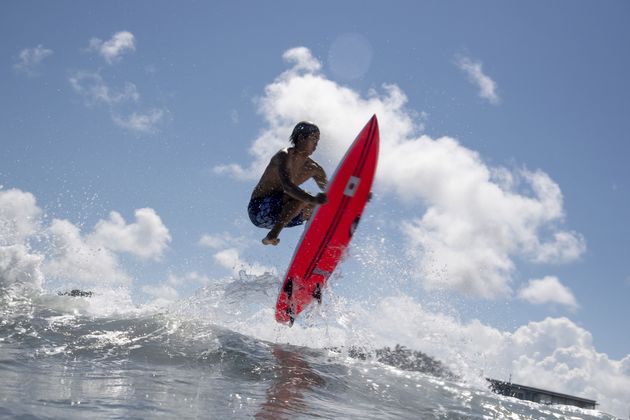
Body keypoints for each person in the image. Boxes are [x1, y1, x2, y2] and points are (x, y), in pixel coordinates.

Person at [248, 121, 328, 246]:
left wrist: (358, 194)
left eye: (317, 140)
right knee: (304, 197)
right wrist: (312, 199)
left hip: (281, 215)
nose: (316, 144)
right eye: (313, 139)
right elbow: (288, 186)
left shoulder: (314, 168)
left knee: (318, 208)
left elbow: (331, 192)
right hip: (258, 210)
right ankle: (272, 236)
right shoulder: (284, 155)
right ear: (301, 138)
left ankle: (317, 244)